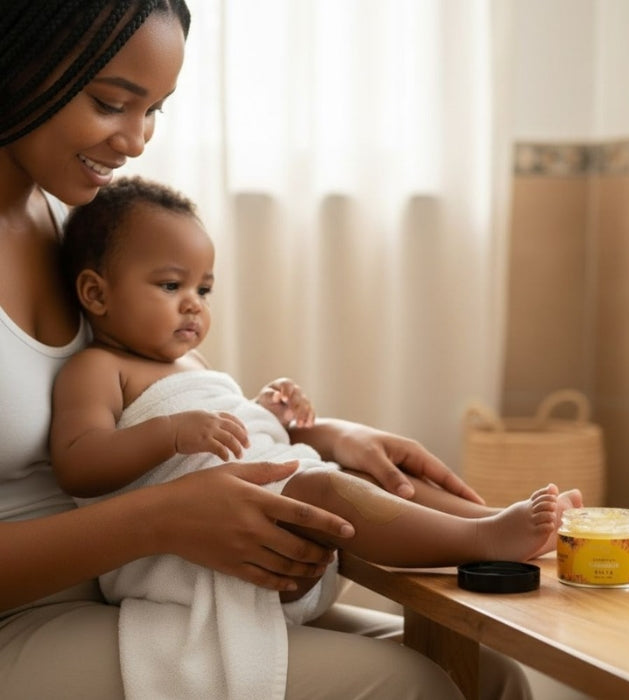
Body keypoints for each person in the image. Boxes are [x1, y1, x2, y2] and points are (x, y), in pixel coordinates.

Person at [0, 2, 539, 698]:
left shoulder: (66, 223)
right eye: (111, 103)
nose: (136, 141)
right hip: (26, 613)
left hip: (122, 584)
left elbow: (149, 394)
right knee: (420, 689)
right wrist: (166, 518)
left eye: (155, 110)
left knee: (486, 674)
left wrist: (317, 435)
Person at [49, 176, 582, 698]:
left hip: (268, 513)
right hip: (200, 560)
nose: (194, 304)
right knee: (326, 488)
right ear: (96, 292)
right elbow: (79, 463)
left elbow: (231, 435)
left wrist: (267, 411)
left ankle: (491, 520)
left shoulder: (190, 362)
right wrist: (170, 432)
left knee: (360, 477)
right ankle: (483, 543)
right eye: (171, 286)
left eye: (204, 288)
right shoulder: (97, 370)